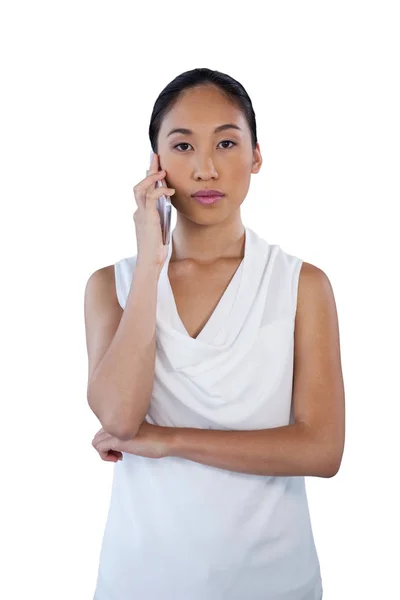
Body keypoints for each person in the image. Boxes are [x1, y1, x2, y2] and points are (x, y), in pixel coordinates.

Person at [85, 67, 345, 600]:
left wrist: (170, 442)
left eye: (227, 142)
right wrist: (151, 263)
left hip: (274, 581)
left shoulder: (302, 285)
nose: (206, 169)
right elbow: (118, 415)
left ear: (255, 156)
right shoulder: (112, 285)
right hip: (141, 579)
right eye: (183, 146)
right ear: (155, 165)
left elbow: (322, 449)